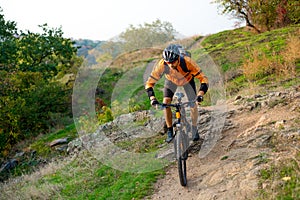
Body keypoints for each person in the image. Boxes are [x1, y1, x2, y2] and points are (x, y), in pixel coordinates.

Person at [145, 44, 209, 143]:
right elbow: (149, 83)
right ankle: (170, 130)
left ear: (178, 58)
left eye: (173, 62)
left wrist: (200, 95)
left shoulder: (188, 62)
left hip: (187, 80)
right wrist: (152, 98)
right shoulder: (162, 65)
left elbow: (203, 79)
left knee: (193, 104)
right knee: (166, 102)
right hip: (171, 81)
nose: (170, 65)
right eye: (168, 62)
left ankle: (194, 128)